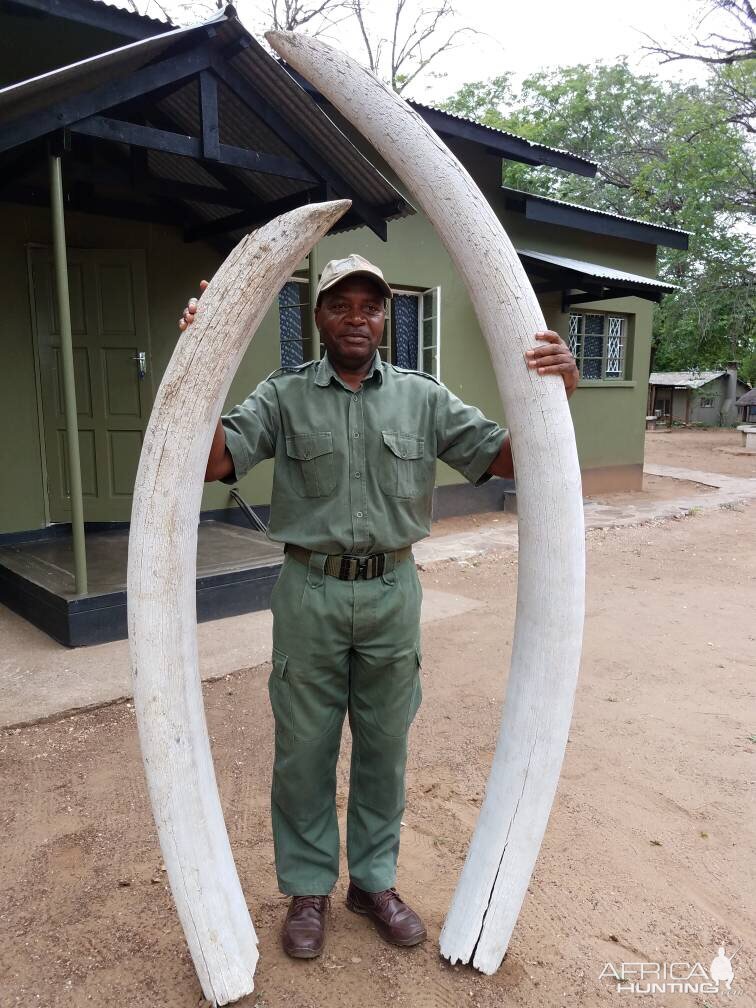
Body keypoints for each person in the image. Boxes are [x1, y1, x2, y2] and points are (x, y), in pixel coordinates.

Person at [179, 253, 578, 960]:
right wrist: (199, 358)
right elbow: (213, 461)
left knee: (385, 745)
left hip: (394, 590)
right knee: (303, 750)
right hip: (310, 590)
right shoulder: (284, 395)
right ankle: (308, 889)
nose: (356, 317)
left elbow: (511, 457)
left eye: (370, 305)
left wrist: (557, 391)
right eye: (340, 305)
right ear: (319, 317)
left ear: (385, 316)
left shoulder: (423, 398)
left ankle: (372, 883)